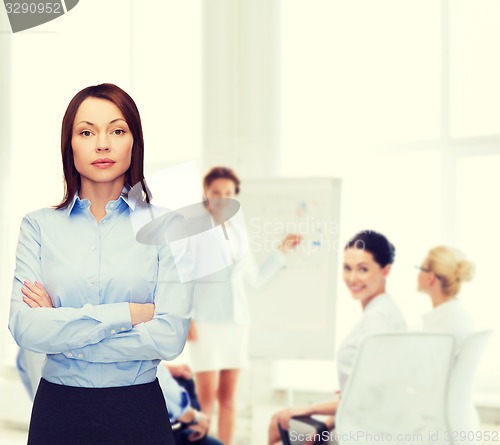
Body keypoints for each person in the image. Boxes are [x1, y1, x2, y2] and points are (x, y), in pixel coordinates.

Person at [8, 83, 193, 445]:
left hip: (138, 412)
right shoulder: (38, 226)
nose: (103, 143)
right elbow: (25, 328)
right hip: (58, 412)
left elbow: (170, 337)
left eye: (117, 130)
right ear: (69, 145)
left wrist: (63, 334)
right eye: (87, 131)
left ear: (133, 143)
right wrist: (128, 313)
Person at [188, 166, 302, 445]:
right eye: (217, 192)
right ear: (207, 194)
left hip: (236, 322)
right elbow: (183, 280)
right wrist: (186, 319)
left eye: (229, 193)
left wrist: (280, 252)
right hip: (204, 323)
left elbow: (255, 280)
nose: (223, 198)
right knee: (206, 401)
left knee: (228, 399)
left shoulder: (239, 234)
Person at [267, 230, 407, 445]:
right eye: (347, 268)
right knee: (280, 424)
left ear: (385, 271)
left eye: (363, 269)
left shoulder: (377, 319)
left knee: (279, 424)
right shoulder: (386, 310)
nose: (352, 278)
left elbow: (368, 399)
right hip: (359, 425)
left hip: (363, 434)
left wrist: (310, 408)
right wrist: (326, 425)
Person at [417, 245, 475, 350]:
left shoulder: (444, 330)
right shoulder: (460, 316)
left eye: (421, 269)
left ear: (431, 278)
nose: (418, 274)